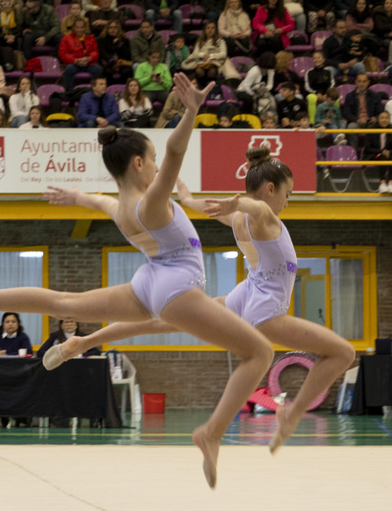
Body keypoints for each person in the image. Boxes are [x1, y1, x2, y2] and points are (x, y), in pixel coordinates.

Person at [0, 74, 274, 488]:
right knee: (259, 352)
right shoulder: (152, 203)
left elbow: (98, 198)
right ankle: (211, 433)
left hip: (150, 281)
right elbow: (177, 150)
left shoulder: (122, 205)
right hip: (177, 283)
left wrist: (75, 197)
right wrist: (192, 111)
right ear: (139, 164)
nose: (160, 167)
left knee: (66, 304)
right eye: (154, 161)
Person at [46, 150, 354, 454]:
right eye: (288, 193)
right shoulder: (263, 216)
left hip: (245, 295)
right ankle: (293, 413)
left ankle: (84, 342)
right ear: (270, 189)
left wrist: (189, 198)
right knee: (342, 352)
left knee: (159, 322)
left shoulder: (237, 220)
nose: (288, 201)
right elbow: (257, 208)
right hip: (266, 309)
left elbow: (202, 206)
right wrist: (238, 201)